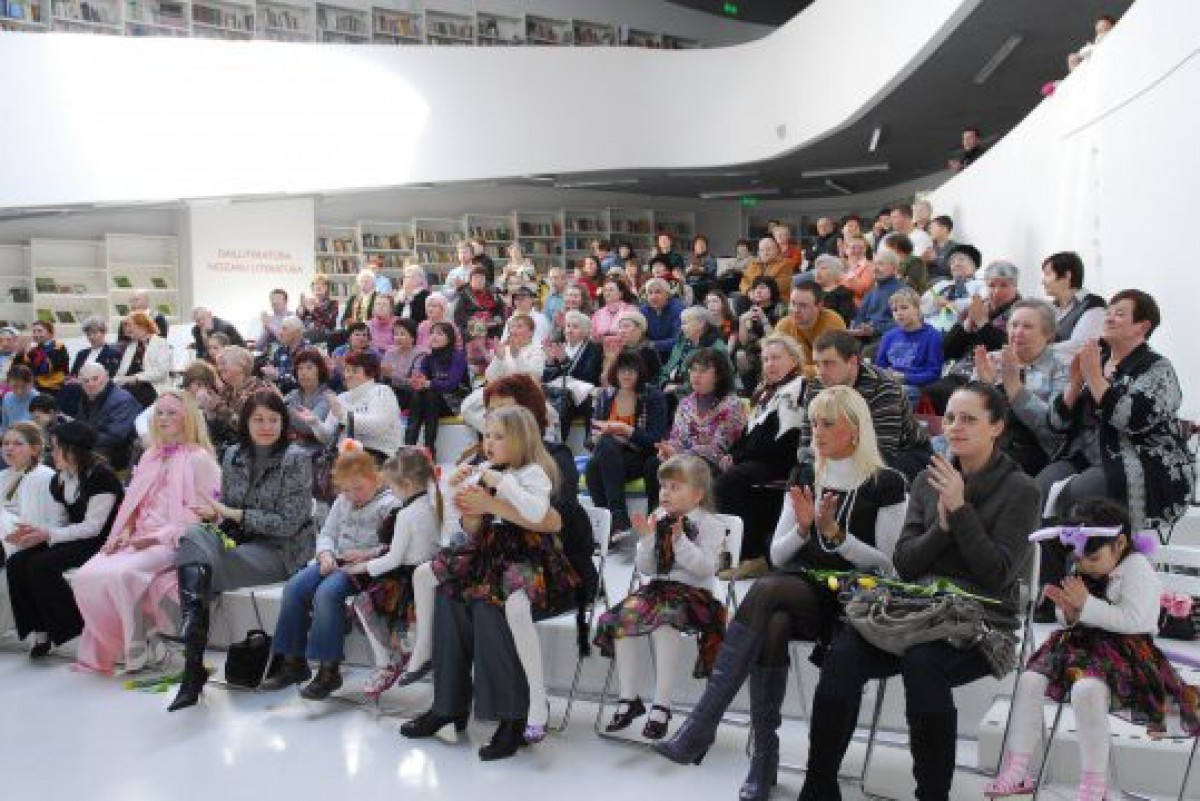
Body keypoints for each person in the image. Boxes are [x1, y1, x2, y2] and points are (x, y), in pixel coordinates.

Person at [656, 388, 908, 801]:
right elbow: (776, 554)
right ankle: (758, 756)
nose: (817, 432)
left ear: (855, 429)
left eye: (828, 423)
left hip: (855, 596)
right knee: (773, 611)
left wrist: (837, 537)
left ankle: (711, 730)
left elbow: (890, 567)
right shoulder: (805, 474)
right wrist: (805, 530)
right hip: (802, 589)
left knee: (770, 600)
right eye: (814, 423)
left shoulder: (888, 483)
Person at [799, 382, 1040, 801]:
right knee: (843, 654)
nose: (955, 427)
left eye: (969, 419)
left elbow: (998, 576)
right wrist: (942, 528)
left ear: (997, 427)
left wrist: (961, 511)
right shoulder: (928, 480)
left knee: (923, 661)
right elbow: (906, 563)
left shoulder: (1022, 490)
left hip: (980, 621)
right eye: (950, 418)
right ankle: (818, 788)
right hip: (914, 611)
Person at [986, 499, 1199, 801]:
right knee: (1029, 680)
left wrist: (1086, 605)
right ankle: (1018, 767)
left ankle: (1093, 786)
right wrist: (1069, 611)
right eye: (1079, 558)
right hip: (1081, 644)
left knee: (1086, 690)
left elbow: (1136, 620)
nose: (1084, 565)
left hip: (1129, 653)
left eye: (1093, 558)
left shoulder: (1137, 568)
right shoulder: (1086, 562)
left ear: (1120, 543)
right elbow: (1074, 618)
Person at [403, 406, 579, 757]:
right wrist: (464, 500)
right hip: (490, 558)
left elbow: (548, 519)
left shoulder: (540, 470)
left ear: (523, 437)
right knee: (450, 594)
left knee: (489, 605)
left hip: (532, 566)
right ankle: (447, 705)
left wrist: (493, 500)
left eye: (499, 436)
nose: (489, 443)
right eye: (487, 435)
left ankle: (513, 716)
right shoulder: (488, 470)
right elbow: (471, 528)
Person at [1037, 291, 1193, 615]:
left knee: (1080, 498)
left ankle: (1091, 594)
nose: (1109, 316)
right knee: (1038, 489)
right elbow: (1056, 424)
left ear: (1142, 326)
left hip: (1139, 463)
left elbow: (1131, 420)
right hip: (1085, 456)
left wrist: (1094, 377)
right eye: (1109, 311)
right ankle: (1050, 594)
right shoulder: (1097, 357)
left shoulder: (1157, 369)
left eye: (1120, 313)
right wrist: (1075, 382)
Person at [167, 390, 316, 710]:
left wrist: (237, 515)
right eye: (258, 419)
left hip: (281, 550)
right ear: (246, 423)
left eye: (273, 420)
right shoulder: (233, 454)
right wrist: (217, 514)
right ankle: (193, 666)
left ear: (284, 423)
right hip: (240, 540)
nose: (266, 426)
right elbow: (229, 507)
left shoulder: (297, 458)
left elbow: (290, 523)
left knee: (198, 563)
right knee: (193, 535)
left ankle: (192, 664)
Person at [72, 391, 222, 675]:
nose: (163, 418)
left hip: (175, 541)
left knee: (122, 574)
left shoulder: (200, 458)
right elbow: (133, 504)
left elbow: (207, 515)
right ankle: (116, 645)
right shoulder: (150, 455)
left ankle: (136, 648)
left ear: (188, 417)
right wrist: (124, 532)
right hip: (138, 537)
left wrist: (156, 537)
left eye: (171, 413)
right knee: (85, 575)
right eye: (159, 413)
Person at [596, 454, 727, 740]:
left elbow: (706, 568)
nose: (665, 493)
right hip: (658, 591)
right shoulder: (658, 517)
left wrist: (680, 541)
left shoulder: (711, 524)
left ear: (697, 495)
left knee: (665, 622)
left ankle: (662, 705)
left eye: (674, 487)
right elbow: (646, 568)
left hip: (695, 596)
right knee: (622, 620)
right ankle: (629, 698)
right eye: (663, 486)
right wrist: (646, 540)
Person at [260, 448, 394, 699]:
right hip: (335, 561)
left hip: (364, 568)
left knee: (326, 593)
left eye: (359, 488)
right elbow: (327, 534)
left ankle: (329, 669)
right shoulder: (343, 501)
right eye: (346, 490)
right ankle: (292, 662)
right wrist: (325, 554)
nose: (352, 495)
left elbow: (393, 547)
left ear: (375, 478)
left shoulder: (389, 504)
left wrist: (366, 554)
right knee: (294, 588)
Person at [3, 421, 123, 659]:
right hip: (74, 537)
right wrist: (34, 533)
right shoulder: (59, 479)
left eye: (57, 448)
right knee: (17, 562)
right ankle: (39, 629)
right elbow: (60, 522)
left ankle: (74, 630)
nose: (53, 454)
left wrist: (48, 535)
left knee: (41, 566)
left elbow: (94, 527)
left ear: (74, 449)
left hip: (101, 541)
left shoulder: (102, 477)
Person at [344, 447, 442, 699]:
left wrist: (362, 567)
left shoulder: (407, 514)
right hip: (424, 574)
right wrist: (370, 554)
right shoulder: (431, 504)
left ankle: (386, 664)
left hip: (406, 578)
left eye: (391, 486)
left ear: (406, 484)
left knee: (362, 602)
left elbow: (395, 558)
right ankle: (395, 657)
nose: (390, 491)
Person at [714, 335, 807, 580]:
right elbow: (748, 433)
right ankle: (728, 548)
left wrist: (739, 458)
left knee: (730, 481)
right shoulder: (765, 392)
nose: (769, 364)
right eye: (765, 360)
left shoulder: (799, 388)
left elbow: (783, 441)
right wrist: (732, 454)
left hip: (781, 461)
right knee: (711, 474)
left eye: (776, 358)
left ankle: (753, 556)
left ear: (793, 360)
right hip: (757, 460)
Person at [802, 330, 931, 481]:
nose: (821, 372)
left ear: (852, 361)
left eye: (828, 363)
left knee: (875, 477)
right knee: (804, 475)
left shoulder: (883, 387)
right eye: (817, 364)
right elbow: (806, 442)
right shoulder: (816, 386)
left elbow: (883, 452)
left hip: (904, 453)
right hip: (842, 453)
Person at [973, 300, 1068, 475]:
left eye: (1027, 327)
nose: (1017, 332)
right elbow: (970, 413)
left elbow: (1054, 430)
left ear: (1048, 334)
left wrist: (1016, 391)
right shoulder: (993, 360)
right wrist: (986, 386)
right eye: (1014, 325)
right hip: (986, 439)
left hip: (1031, 449)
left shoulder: (1061, 370)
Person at [646, 348, 745, 510]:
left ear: (719, 375)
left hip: (713, 462)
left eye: (703, 371)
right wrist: (668, 450)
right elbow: (677, 437)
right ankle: (658, 515)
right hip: (683, 457)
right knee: (653, 464)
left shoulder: (732, 405)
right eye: (693, 370)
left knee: (693, 467)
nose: (696, 376)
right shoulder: (685, 403)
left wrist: (679, 454)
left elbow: (720, 446)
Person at [924, 259, 1021, 413]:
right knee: (931, 391)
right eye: (992, 285)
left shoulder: (1021, 312)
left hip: (994, 376)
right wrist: (967, 325)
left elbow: (1007, 347)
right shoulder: (978, 306)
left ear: (1015, 286)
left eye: (1004, 285)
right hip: (962, 372)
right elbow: (946, 351)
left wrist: (982, 323)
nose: (996, 291)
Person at [461, 314, 545, 435]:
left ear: (531, 332)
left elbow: (534, 374)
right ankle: (497, 433)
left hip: (523, 393)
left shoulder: (537, 349)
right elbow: (490, 376)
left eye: (519, 326)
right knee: (467, 406)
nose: (514, 330)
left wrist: (517, 356)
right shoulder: (504, 349)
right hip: (499, 389)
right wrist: (499, 359)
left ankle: (505, 435)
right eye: (512, 327)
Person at [311, 350, 402, 461]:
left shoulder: (382, 391)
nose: (348, 375)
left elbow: (378, 426)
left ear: (370, 373)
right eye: (347, 370)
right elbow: (328, 438)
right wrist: (315, 423)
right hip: (343, 455)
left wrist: (344, 415)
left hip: (376, 454)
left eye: (355, 371)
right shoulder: (341, 397)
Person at [0, 422, 66, 568]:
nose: (9, 448)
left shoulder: (46, 476)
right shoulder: (3, 475)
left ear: (35, 449)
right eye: (5, 443)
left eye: (17, 444)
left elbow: (58, 520)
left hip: (35, 542)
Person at [404, 322, 468, 456]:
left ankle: (427, 448)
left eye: (439, 334)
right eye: (432, 333)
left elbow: (451, 385)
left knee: (429, 395)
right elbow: (422, 381)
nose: (434, 336)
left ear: (449, 338)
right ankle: (409, 447)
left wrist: (427, 384)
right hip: (431, 402)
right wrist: (416, 382)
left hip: (453, 402)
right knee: (419, 395)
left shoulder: (458, 356)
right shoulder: (427, 358)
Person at [541, 310, 603, 442]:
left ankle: (568, 443)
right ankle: (551, 443)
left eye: (575, 327)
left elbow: (588, 377)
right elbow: (547, 380)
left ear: (584, 330)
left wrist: (564, 361)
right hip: (561, 396)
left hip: (583, 398)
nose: (569, 330)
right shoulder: (561, 346)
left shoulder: (593, 349)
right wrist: (550, 361)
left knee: (566, 402)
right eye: (568, 326)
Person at [874, 287, 943, 404]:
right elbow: (879, 367)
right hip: (890, 383)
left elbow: (934, 373)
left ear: (917, 309)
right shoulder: (888, 336)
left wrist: (904, 377)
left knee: (899, 393)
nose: (899, 313)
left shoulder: (932, 336)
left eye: (904, 308)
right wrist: (887, 376)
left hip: (915, 386)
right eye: (895, 310)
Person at [73, 364, 141, 471]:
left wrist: (81, 440)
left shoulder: (124, 400)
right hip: (91, 448)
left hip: (114, 455)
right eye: (86, 381)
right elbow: (80, 425)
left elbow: (115, 437)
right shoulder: (87, 397)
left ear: (106, 376)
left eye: (95, 378)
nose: (91, 384)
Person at [1041, 251, 1107, 360]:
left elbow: (1080, 345)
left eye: (1048, 274)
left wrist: (1037, 350)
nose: (1043, 281)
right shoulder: (1049, 308)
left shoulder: (1093, 305)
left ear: (1067, 276)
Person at [658, 306, 730, 406]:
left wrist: (677, 388)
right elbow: (668, 368)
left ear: (701, 324)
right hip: (672, 389)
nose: (681, 327)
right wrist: (664, 383)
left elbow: (716, 381)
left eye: (685, 323)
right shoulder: (682, 342)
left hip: (702, 395)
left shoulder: (716, 348)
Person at [775, 282, 848, 378]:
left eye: (803, 305)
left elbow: (835, 364)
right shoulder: (783, 326)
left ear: (819, 306)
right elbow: (778, 364)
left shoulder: (833, 323)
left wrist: (799, 370)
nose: (795, 310)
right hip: (795, 381)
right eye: (793, 303)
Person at [732, 277, 784, 392]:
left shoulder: (780, 308)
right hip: (756, 349)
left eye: (762, 288)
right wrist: (742, 321)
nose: (758, 291)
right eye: (755, 288)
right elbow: (744, 342)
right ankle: (750, 393)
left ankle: (768, 389)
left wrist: (763, 318)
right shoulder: (752, 309)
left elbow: (775, 339)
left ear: (772, 290)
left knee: (765, 356)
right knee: (740, 355)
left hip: (776, 348)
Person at [113, 311, 172, 409]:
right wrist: (113, 381)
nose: (126, 330)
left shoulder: (161, 343)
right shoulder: (132, 346)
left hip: (153, 388)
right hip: (135, 388)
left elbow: (161, 372)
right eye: (125, 326)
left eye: (129, 325)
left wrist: (135, 378)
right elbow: (122, 371)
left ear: (142, 326)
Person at [921, 248, 984, 332]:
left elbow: (980, 303)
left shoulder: (980, 284)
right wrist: (934, 302)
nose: (956, 264)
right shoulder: (942, 284)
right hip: (931, 329)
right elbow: (922, 306)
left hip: (961, 331)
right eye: (952, 262)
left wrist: (950, 304)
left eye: (961, 260)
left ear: (974, 266)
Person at [850, 250, 904, 348]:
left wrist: (875, 329)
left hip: (888, 341)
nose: (875, 268)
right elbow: (859, 319)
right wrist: (860, 328)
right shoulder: (871, 292)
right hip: (863, 340)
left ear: (894, 268)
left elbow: (904, 321)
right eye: (874, 264)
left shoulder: (902, 292)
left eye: (880, 264)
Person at [283, 350, 332, 457]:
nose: (303, 373)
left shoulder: (327, 396)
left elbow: (309, 427)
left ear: (320, 371)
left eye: (309, 368)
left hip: (315, 453)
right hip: (290, 447)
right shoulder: (293, 394)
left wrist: (285, 408)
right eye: (300, 368)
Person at [600, 309, 663, 388]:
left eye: (626, 326)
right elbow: (606, 381)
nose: (621, 331)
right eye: (619, 327)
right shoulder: (620, 350)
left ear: (639, 329)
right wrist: (609, 361)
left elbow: (653, 380)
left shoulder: (648, 350)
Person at [260, 316, 311, 395]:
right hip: (277, 393)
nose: (280, 333)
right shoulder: (281, 350)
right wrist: (268, 372)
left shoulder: (308, 352)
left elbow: (303, 381)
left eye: (284, 329)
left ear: (296, 333)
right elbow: (271, 368)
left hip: (298, 396)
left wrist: (278, 376)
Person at [16, 321, 69, 396]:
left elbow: (46, 369)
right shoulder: (34, 349)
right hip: (36, 387)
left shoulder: (58, 347)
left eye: (40, 331)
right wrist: (20, 353)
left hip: (55, 387)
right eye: (34, 331)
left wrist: (30, 353)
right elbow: (23, 368)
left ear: (50, 333)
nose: (36, 334)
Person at [454, 266, 506, 341]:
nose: (478, 281)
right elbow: (459, 316)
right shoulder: (464, 295)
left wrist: (495, 320)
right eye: (475, 278)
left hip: (493, 328)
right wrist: (475, 321)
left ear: (485, 280)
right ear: (470, 281)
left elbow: (501, 311)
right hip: (473, 330)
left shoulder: (493, 293)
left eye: (481, 278)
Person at [380, 317, 421, 409]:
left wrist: (392, 375)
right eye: (396, 334)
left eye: (402, 334)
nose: (398, 338)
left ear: (412, 337)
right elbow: (383, 376)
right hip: (389, 390)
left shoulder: (420, 354)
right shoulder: (389, 352)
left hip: (407, 393)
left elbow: (414, 383)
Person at [641, 278, 685, 360]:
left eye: (658, 292)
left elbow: (679, 340)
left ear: (667, 295)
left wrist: (653, 344)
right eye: (650, 293)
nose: (653, 296)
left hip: (674, 353)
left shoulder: (677, 309)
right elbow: (640, 335)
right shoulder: (644, 309)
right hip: (652, 352)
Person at [807, 255, 856, 327]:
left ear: (834, 272)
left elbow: (844, 319)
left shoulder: (843, 293)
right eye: (817, 268)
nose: (817, 272)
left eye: (823, 268)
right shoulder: (811, 291)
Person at [739, 237, 792, 302]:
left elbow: (780, 286)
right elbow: (744, 281)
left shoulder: (785, 264)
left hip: (775, 299)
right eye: (762, 250)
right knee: (740, 300)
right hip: (754, 296)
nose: (765, 253)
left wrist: (758, 293)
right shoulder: (754, 264)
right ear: (758, 252)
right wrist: (749, 292)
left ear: (776, 250)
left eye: (768, 250)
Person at [591, 275, 639, 342]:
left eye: (611, 290)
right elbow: (593, 335)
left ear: (620, 294)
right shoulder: (598, 313)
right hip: (602, 346)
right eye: (605, 290)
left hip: (625, 346)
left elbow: (635, 333)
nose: (607, 293)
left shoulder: (631, 310)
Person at [296, 276, 339, 344]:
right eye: (316, 284)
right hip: (307, 331)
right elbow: (299, 319)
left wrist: (313, 310)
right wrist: (301, 306)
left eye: (322, 284)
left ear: (326, 288)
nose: (318, 286)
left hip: (324, 332)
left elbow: (329, 321)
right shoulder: (308, 302)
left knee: (303, 335)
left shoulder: (333, 303)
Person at [1, 364, 39, 433]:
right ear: (8, 384)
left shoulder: (38, 399)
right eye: (15, 387)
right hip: (12, 436)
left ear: (31, 383)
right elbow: (5, 424)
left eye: (23, 387)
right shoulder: (7, 397)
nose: (19, 392)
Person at [684, 234, 718, 303]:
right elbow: (683, 272)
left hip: (705, 283)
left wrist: (698, 268)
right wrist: (689, 269)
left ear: (706, 247)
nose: (700, 246)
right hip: (690, 283)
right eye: (698, 244)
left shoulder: (710, 258)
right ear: (694, 246)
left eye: (703, 244)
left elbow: (711, 271)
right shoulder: (688, 257)